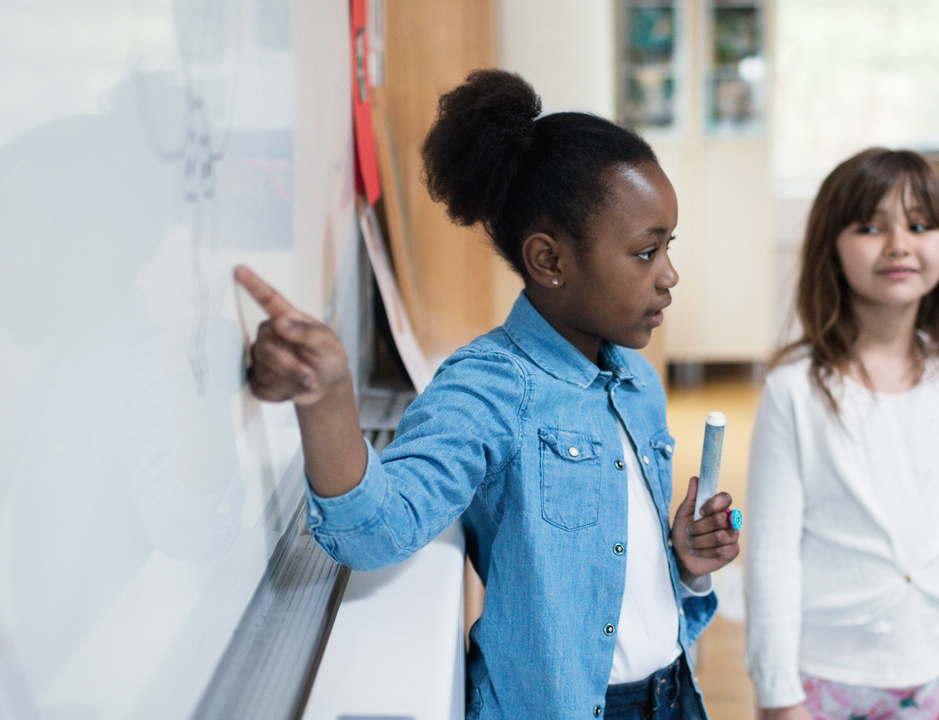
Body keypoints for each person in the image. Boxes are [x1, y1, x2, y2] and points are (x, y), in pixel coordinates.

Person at [234, 69, 740, 720]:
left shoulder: (638, 381)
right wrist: (327, 398)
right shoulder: (489, 386)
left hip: (675, 696)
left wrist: (686, 565)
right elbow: (376, 533)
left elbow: (613, 577)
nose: (670, 274)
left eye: (668, 246)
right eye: (646, 253)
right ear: (549, 261)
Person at [743, 148, 939, 720]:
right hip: (819, 678)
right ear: (830, 248)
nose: (899, 244)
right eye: (870, 227)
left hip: (929, 675)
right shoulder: (794, 390)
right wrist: (778, 694)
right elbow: (771, 554)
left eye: (920, 225)